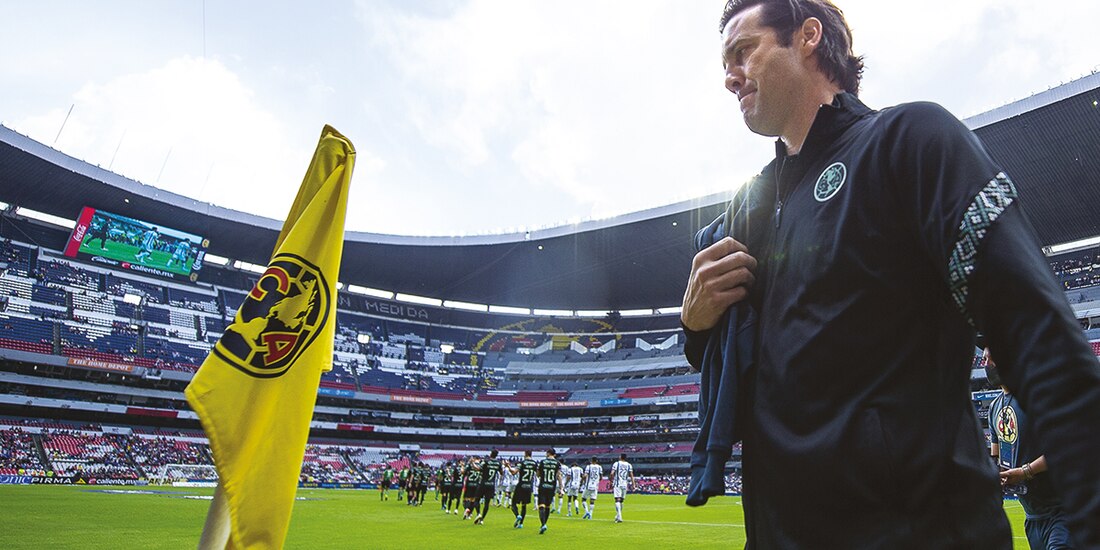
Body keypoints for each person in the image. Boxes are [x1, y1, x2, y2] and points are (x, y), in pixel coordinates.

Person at [680, 1, 1100, 547]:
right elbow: (733, 359)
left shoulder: (911, 140)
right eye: (724, 64)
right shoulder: (749, 213)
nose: (730, 78)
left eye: (743, 52)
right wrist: (695, 322)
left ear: (808, 37)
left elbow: (1039, 336)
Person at [986, 350, 1077, 549]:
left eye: (992, 357)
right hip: (1032, 516)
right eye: (985, 359)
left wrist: (1025, 472)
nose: (987, 363)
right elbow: (996, 459)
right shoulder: (994, 407)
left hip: (1063, 512)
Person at [509, 450, 539, 529]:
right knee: (524, 505)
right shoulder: (534, 463)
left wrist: (508, 466)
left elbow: (513, 472)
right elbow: (539, 474)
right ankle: (521, 524)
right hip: (529, 486)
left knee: (513, 503)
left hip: (521, 485)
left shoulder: (522, 463)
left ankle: (517, 515)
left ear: (525, 454)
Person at [536, 448, 563, 535]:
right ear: (554, 454)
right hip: (552, 487)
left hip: (543, 486)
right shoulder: (557, 463)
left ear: (548, 453)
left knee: (541, 506)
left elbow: (538, 474)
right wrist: (561, 488)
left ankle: (543, 524)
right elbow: (559, 476)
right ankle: (544, 524)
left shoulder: (543, 462)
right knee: (547, 506)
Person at [474, 449, 502, 525]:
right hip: (491, 485)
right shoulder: (498, 463)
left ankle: (478, 513)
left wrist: (472, 463)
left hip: (483, 483)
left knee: (476, 499)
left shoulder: (486, 461)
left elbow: (477, 468)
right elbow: (501, 473)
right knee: (487, 503)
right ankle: (482, 519)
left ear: (491, 454)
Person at [610, 453, 634, 523]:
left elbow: (612, 473)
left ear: (620, 457)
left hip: (618, 484)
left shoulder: (616, 464)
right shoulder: (629, 465)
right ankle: (618, 515)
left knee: (617, 500)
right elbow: (631, 475)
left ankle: (619, 517)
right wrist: (633, 484)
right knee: (621, 501)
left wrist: (611, 481)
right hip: (624, 484)